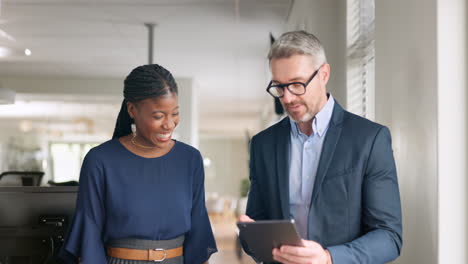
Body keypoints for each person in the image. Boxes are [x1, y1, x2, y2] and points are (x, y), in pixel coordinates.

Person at [239, 31, 402, 264]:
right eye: (279, 87)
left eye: (296, 84)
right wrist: (253, 238)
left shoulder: (370, 139)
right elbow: (255, 226)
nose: (286, 98)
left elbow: (389, 237)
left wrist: (328, 258)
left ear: (324, 74)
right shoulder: (263, 145)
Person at [59, 64, 217, 264]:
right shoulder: (100, 160)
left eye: (175, 113)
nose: (169, 124)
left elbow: (198, 233)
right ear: (132, 110)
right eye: (158, 116)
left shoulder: (190, 159)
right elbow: (89, 237)